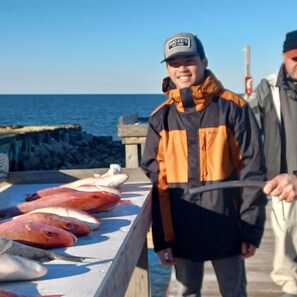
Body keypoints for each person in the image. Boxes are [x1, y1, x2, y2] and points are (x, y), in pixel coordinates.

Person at [141, 32, 267, 297]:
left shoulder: (234, 108)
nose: (182, 68)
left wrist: (251, 228)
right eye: (175, 63)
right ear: (167, 69)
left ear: (204, 61)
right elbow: (158, 183)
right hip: (182, 230)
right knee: (185, 292)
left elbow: (252, 170)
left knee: (234, 292)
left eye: (189, 60)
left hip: (228, 227)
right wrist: (163, 238)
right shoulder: (159, 118)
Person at [249, 29, 297, 297]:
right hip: (283, 178)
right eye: (295, 58)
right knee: (287, 239)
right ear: (284, 56)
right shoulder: (267, 87)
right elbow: (247, 128)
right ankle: (290, 286)